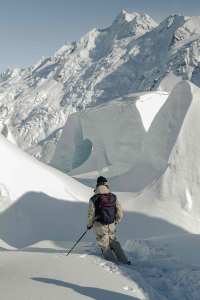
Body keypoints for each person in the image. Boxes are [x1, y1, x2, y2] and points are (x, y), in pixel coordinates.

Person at [87, 176, 130, 264]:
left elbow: (91, 214)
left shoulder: (94, 199)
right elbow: (120, 211)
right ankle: (125, 261)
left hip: (100, 225)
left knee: (105, 245)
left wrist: (89, 225)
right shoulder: (113, 196)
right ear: (106, 184)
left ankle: (114, 265)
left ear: (97, 185)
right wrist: (117, 220)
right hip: (111, 224)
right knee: (114, 242)